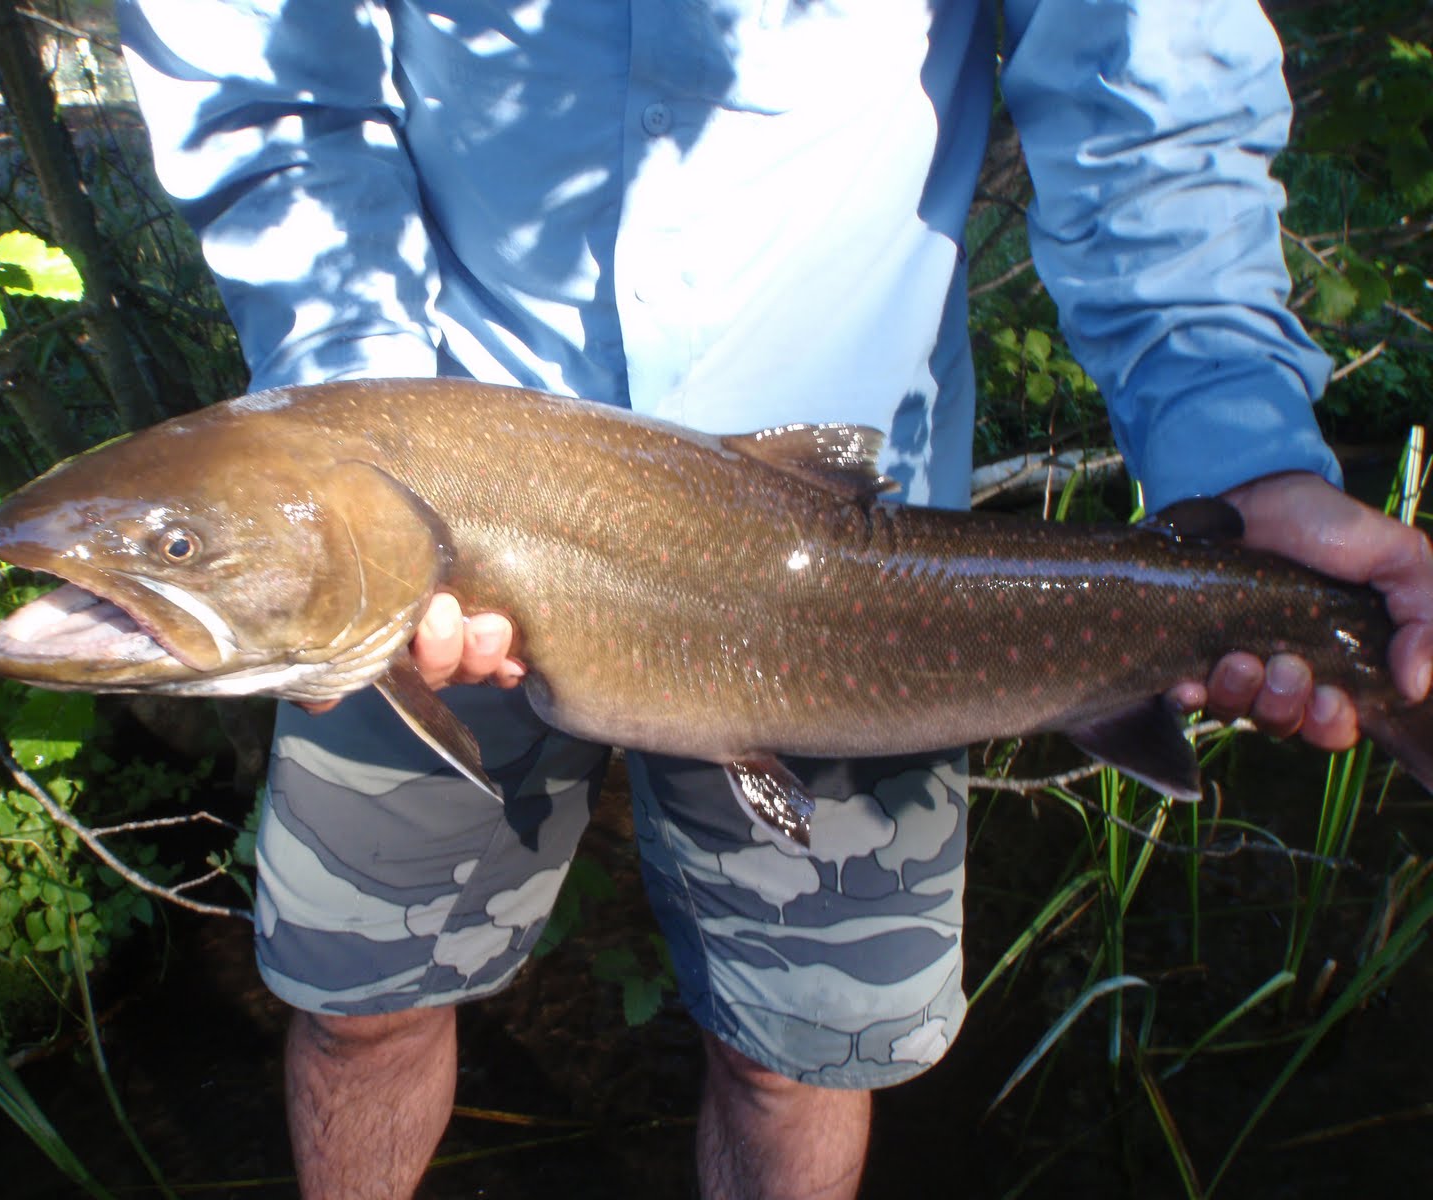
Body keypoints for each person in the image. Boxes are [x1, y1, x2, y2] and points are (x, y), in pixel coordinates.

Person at [116, 2, 1433, 1196]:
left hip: (852, 578)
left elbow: (1141, 81)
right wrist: (373, 452)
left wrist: (1239, 448)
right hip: (425, 518)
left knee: (800, 1060)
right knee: (360, 1006)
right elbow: (270, 84)